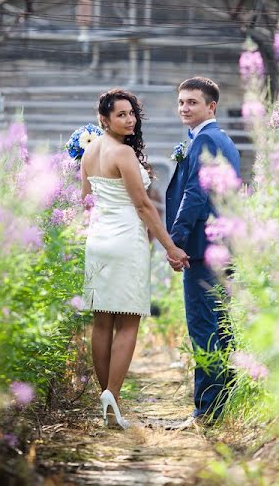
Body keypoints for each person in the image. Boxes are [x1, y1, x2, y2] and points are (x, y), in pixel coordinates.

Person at [80, 88, 190, 429]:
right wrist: (170, 247)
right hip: (126, 241)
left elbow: (86, 201)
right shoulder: (123, 154)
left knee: (102, 323)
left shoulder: (89, 152)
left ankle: (107, 401)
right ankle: (112, 395)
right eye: (121, 115)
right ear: (104, 119)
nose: (129, 120)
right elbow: (143, 206)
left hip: (98, 241)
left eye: (131, 113)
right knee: (128, 321)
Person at [165, 76, 241, 425]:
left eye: (192, 102)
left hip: (202, 247)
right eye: (181, 102)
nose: (184, 108)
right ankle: (223, 401)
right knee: (220, 326)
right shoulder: (219, 139)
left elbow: (195, 194)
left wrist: (175, 239)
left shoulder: (207, 139)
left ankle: (207, 409)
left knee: (204, 326)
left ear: (211, 106)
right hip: (221, 245)